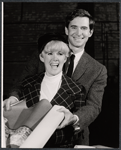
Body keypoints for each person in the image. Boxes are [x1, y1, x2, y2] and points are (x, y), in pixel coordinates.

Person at [4, 9, 107, 146]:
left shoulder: (98, 70)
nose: (78, 33)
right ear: (66, 30)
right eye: (73, 27)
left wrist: (74, 118)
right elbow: (21, 83)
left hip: (72, 136)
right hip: (31, 130)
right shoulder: (44, 53)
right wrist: (14, 97)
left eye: (83, 28)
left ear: (90, 32)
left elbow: (93, 106)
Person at [4, 33, 86, 148]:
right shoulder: (28, 82)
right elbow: (16, 96)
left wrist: (44, 135)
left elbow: (77, 130)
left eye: (60, 54)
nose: (54, 58)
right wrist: (13, 99)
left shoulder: (77, 89)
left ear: (65, 57)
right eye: (49, 53)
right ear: (42, 57)